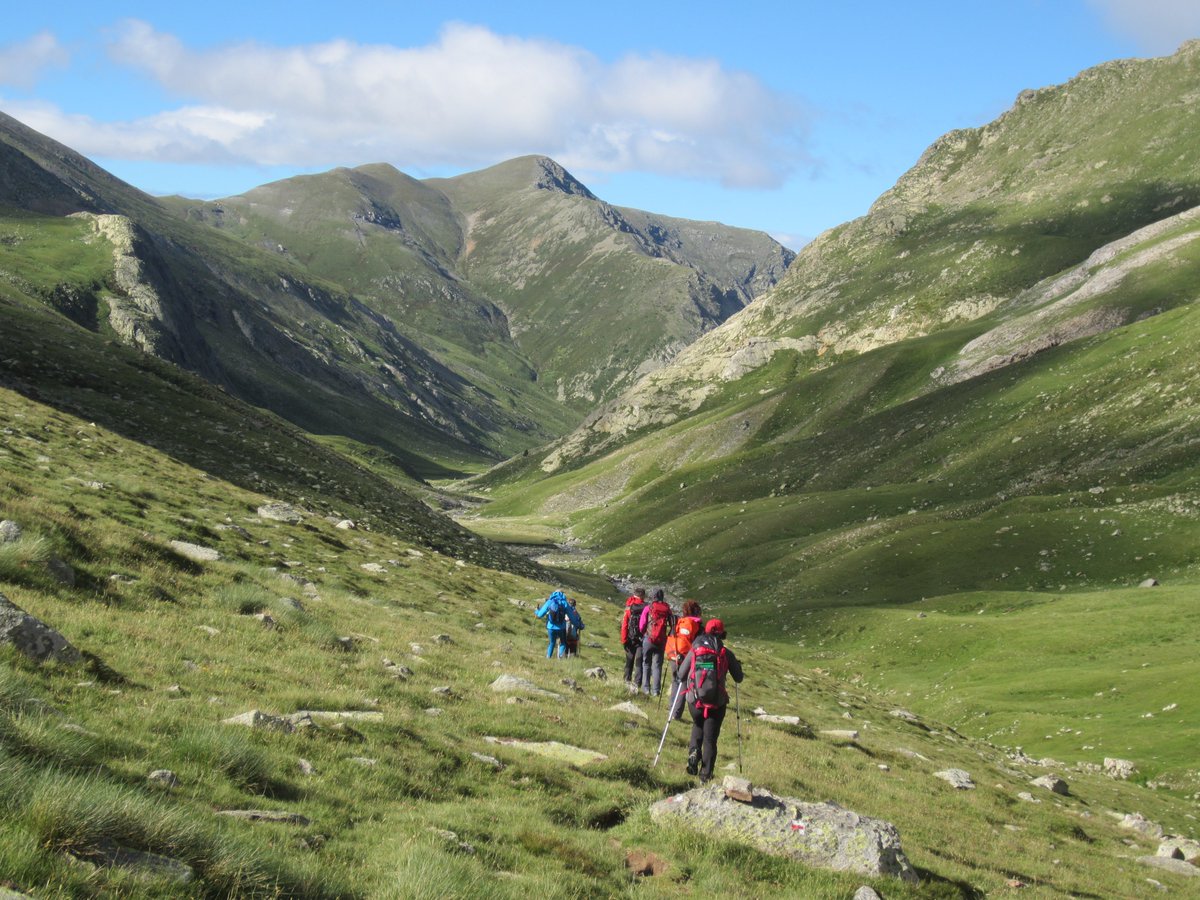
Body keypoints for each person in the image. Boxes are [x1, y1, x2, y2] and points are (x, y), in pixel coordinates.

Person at [676, 618, 743, 783]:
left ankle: (694, 751)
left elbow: (681, 675)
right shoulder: (725, 652)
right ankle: (705, 776)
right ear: (722, 633)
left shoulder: (695, 649)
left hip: (695, 700)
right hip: (716, 702)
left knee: (697, 724)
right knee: (710, 739)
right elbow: (739, 678)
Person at [665, 600, 703, 719]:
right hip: (686, 657)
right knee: (683, 684)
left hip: (673, 655)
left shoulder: (680, 621)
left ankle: (672, 709)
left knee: (675, 681)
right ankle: (676, 713)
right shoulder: (697, 625)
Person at [639, 589, 673, 696]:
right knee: (657, 665)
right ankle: (656, 691)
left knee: (646, 663)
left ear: (653, 597)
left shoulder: (648, 608)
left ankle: (646, 688)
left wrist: (644, 633)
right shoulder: (667, 609)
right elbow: (672, 623)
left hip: (648, 638)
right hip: (661, 640)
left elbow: (642, 625)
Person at [536, 590, 583, 659]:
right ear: (562, 594)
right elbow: (572, 617)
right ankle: (560, 658)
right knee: (563, 643)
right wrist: (579, 625)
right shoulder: (565, 603)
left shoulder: (549, 602)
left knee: (552, 643)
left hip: (551, 627)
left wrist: (537, 611)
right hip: (561, 627)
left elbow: (540, 615)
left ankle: (548, 658)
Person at [620, 588, 647, 684]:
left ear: (634, 594)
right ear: (643, 596)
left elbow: (624, 624)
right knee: (639, 662)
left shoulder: (629, 606)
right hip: (642, 638)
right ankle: (637, 683)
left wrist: (623, 640)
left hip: (630, 638)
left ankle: (626, 680)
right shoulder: (646, 607)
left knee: (629, 660)